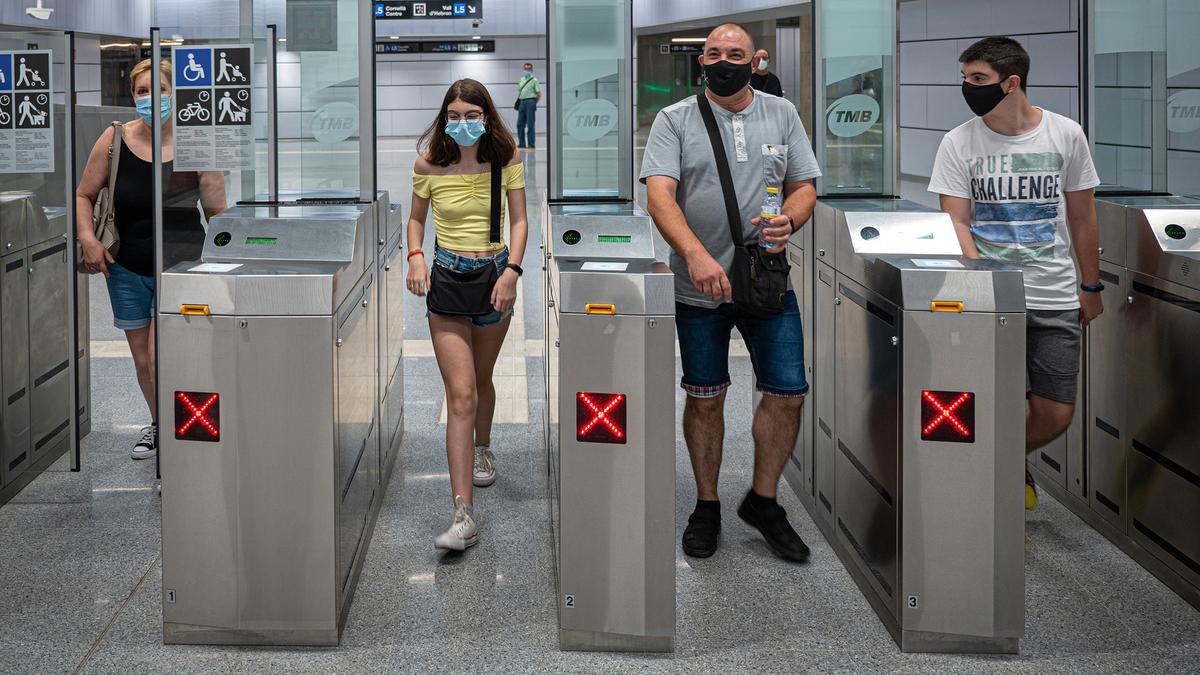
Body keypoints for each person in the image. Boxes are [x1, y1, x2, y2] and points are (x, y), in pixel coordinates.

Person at [641, 24, 821, 562]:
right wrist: (694, 255)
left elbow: (804, 184)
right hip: (699, 287)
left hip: (766, 281)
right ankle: (707, 502)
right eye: (715, 54)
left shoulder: (781, 114)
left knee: (788, 391)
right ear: (701, 61)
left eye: (735, 54)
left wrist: (791, 218)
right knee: (705, 393)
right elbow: (660, 196)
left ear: (756, 60)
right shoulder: (674, 120)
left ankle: (763, 501)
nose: (724, 61)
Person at [928, 37, 1102, 510]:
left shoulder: (1065, 134)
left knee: (1055, 412)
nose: (968, 88)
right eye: (965, 78)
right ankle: (986, 479)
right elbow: (956, 223)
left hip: (1054, 293)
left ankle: (999, 458)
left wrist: (1091, 285)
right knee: (984, 398)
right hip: (990, 296)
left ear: (1012, 82)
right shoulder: (958, 142)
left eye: (978, 79)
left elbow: (1083, 217)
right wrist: (979, 285)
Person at [75, 58, 227, 460]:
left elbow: (218, 213)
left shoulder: (196, 143)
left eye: (158, 90)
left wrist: (230, 261)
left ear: (175, 93)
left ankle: (179, 445)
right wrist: (88, 239)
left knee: (165, 357)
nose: (150, 99)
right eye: (142, 92)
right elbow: (84, 194)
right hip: (125, 267)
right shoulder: (115, 139)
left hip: (182, 268)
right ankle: (160, 427)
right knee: (144, 362)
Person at [407, 79, 529, 551]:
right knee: (459, 394)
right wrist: (416, 255)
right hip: (448, 278)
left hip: (495, 276)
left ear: (486, 116)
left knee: (481, 380)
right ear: (444, 118)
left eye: (471, 114)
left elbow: (519, 220)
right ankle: (462, 514)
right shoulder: (428, 165)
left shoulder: (505, 160)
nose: (463, 123)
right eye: (454, 115)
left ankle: (483, 447)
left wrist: (513, 271)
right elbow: (417, 218)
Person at [515, 63, 541, 150]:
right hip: (522, 102)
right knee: (520, 124)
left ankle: (531, 144)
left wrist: (533, 103)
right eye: (525, 69)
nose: (527, 71)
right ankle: (522, 143)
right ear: (523, 69)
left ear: (532, 70)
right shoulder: (521, 80)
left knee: (530, 124)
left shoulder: (534, 80)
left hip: (530, 101)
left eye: (529, 69)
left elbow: (538, 94)